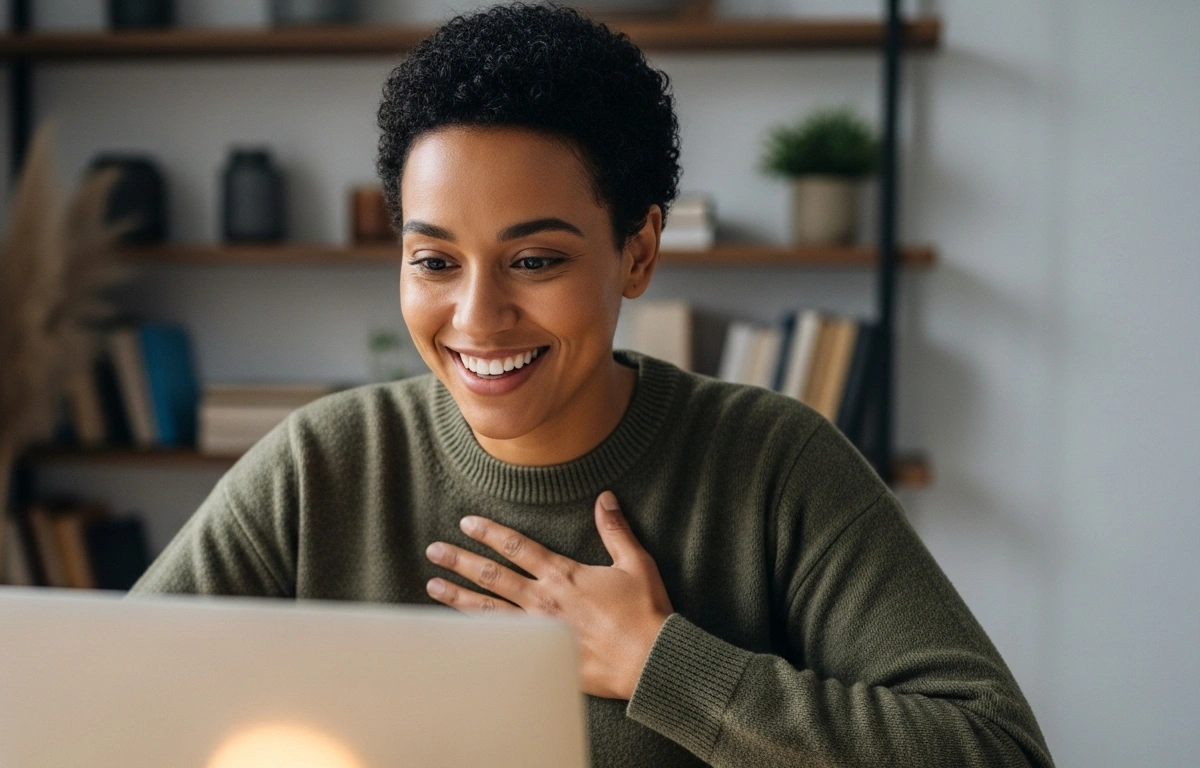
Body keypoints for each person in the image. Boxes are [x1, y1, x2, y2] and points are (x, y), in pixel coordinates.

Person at [131, 4, 1053, 766]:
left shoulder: (773, 464)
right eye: (434, 260)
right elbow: (104, 702)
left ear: (639, 251)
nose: (477, 317)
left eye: (534, 259)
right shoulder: (320, 467)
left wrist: (660, 663)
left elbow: (996, 750)